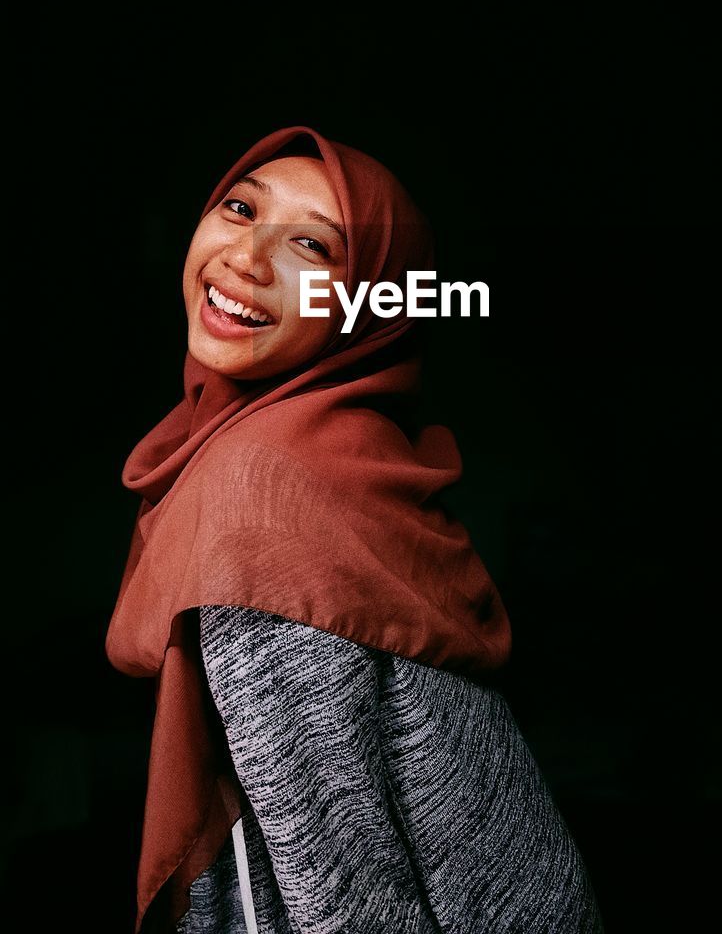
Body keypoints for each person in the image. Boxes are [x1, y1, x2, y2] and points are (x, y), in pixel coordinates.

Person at [106, 125, 605, 934]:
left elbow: (340, 886)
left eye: (312, 246)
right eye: (239, 208)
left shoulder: (268, 495)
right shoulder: (351, 455)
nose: (247, 259)